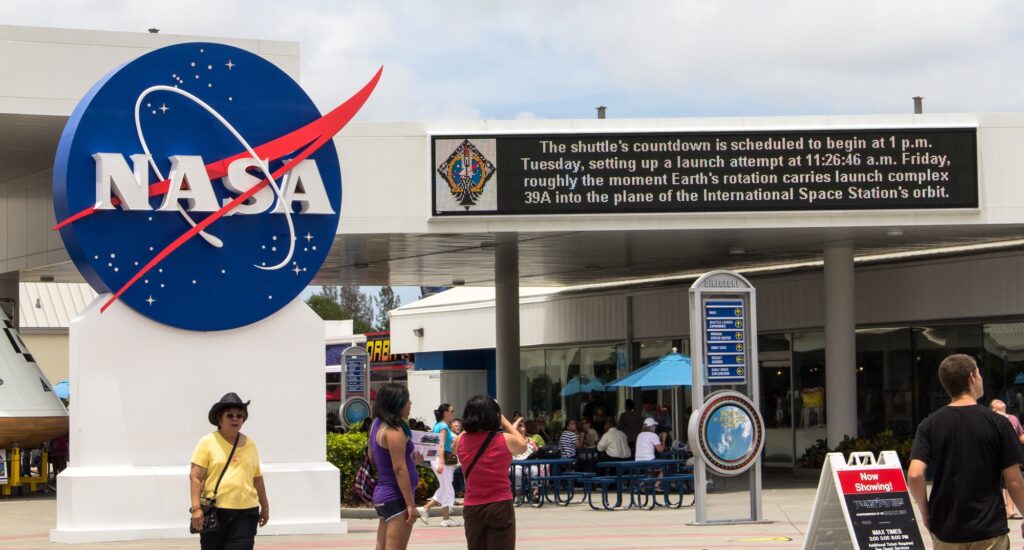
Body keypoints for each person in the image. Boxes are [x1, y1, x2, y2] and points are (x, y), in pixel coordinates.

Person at [908, 354, 1024, 548]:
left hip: (947, 530)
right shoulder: (999, 423)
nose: (981, 379)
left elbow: (914, 474)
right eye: (979, 373)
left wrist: (925, 512)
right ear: (971, 377)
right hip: (988, 529)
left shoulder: (929, 424)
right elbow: (1013, 481)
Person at [189, 393, 270, 550]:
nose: (235, 419)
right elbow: (195, 477)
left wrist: (265, 507)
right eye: (230, 415)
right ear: (220, 419)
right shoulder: (207, 442)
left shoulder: (251, 444)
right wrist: (196, 509)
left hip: (247, 513)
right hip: (215, 512)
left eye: (239, 416)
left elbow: (257, 479)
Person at [452, 395, 528, 550]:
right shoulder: (504, 439)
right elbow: (523, 445)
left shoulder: (461, 440)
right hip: (500, 504)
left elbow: (454, 448)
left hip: (472, 507)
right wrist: (504, 420)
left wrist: (469, 423)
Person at [369, 383, 420, 550]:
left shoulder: (377, 424)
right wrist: (410, 504)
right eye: (406, 399)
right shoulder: (394, 430)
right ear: (396, 403)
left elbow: (373, 457)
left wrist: (411, 463)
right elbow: (399, 469)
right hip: (396, 496)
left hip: (383, 495)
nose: (410, 403)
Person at [416, 403, 462, 527]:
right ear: (446, 413)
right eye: (452, 411)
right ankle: (443, 517)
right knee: (447, 488)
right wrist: (441, 462)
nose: (453, 413)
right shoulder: (443, 427)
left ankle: (429, 510)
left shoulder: (437, 425)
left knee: (444, 487)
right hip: (441, 459)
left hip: (437, 458)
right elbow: (441, 445)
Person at [991, 399, 1024, 520]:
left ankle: (1010, 511)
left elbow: (1020, 435)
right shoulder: (991, 418)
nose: (1001, 402)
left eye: (1001, 401)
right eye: (997, 402)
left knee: (1011, 480)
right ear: (993, 409)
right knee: (995, 484)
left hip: (1010, 454)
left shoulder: (1013, 419)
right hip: (994, 455)